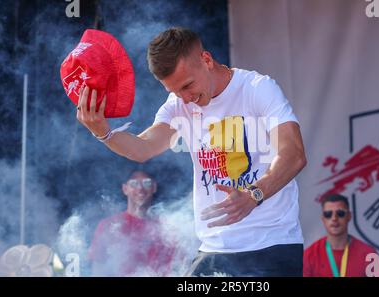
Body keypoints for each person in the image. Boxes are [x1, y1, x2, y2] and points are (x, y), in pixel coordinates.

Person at [77, 27, 307, 276]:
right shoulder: (178, 105)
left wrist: (253, 195)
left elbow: (293, 153)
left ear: (206, 60)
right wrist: (103, 133)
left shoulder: (257, 88)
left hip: (271, 245)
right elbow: (143, 148)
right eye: (175, 92)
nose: (185, 99)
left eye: (187, 86)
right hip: (213, 249)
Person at [88, 170, 175, 276]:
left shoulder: (166, 227)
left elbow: (177, 267)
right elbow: (98, 269)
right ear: (125, 189)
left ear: (154, 187)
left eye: (146, 183)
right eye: (134, 184)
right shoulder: (109, 225)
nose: (140, 189)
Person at [303, 194, 379, 277]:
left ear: (349, 216)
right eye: (328, 214)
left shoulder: (369, 255)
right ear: (323, 218)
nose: (334, 218)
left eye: (340, 213)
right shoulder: (309, 255)